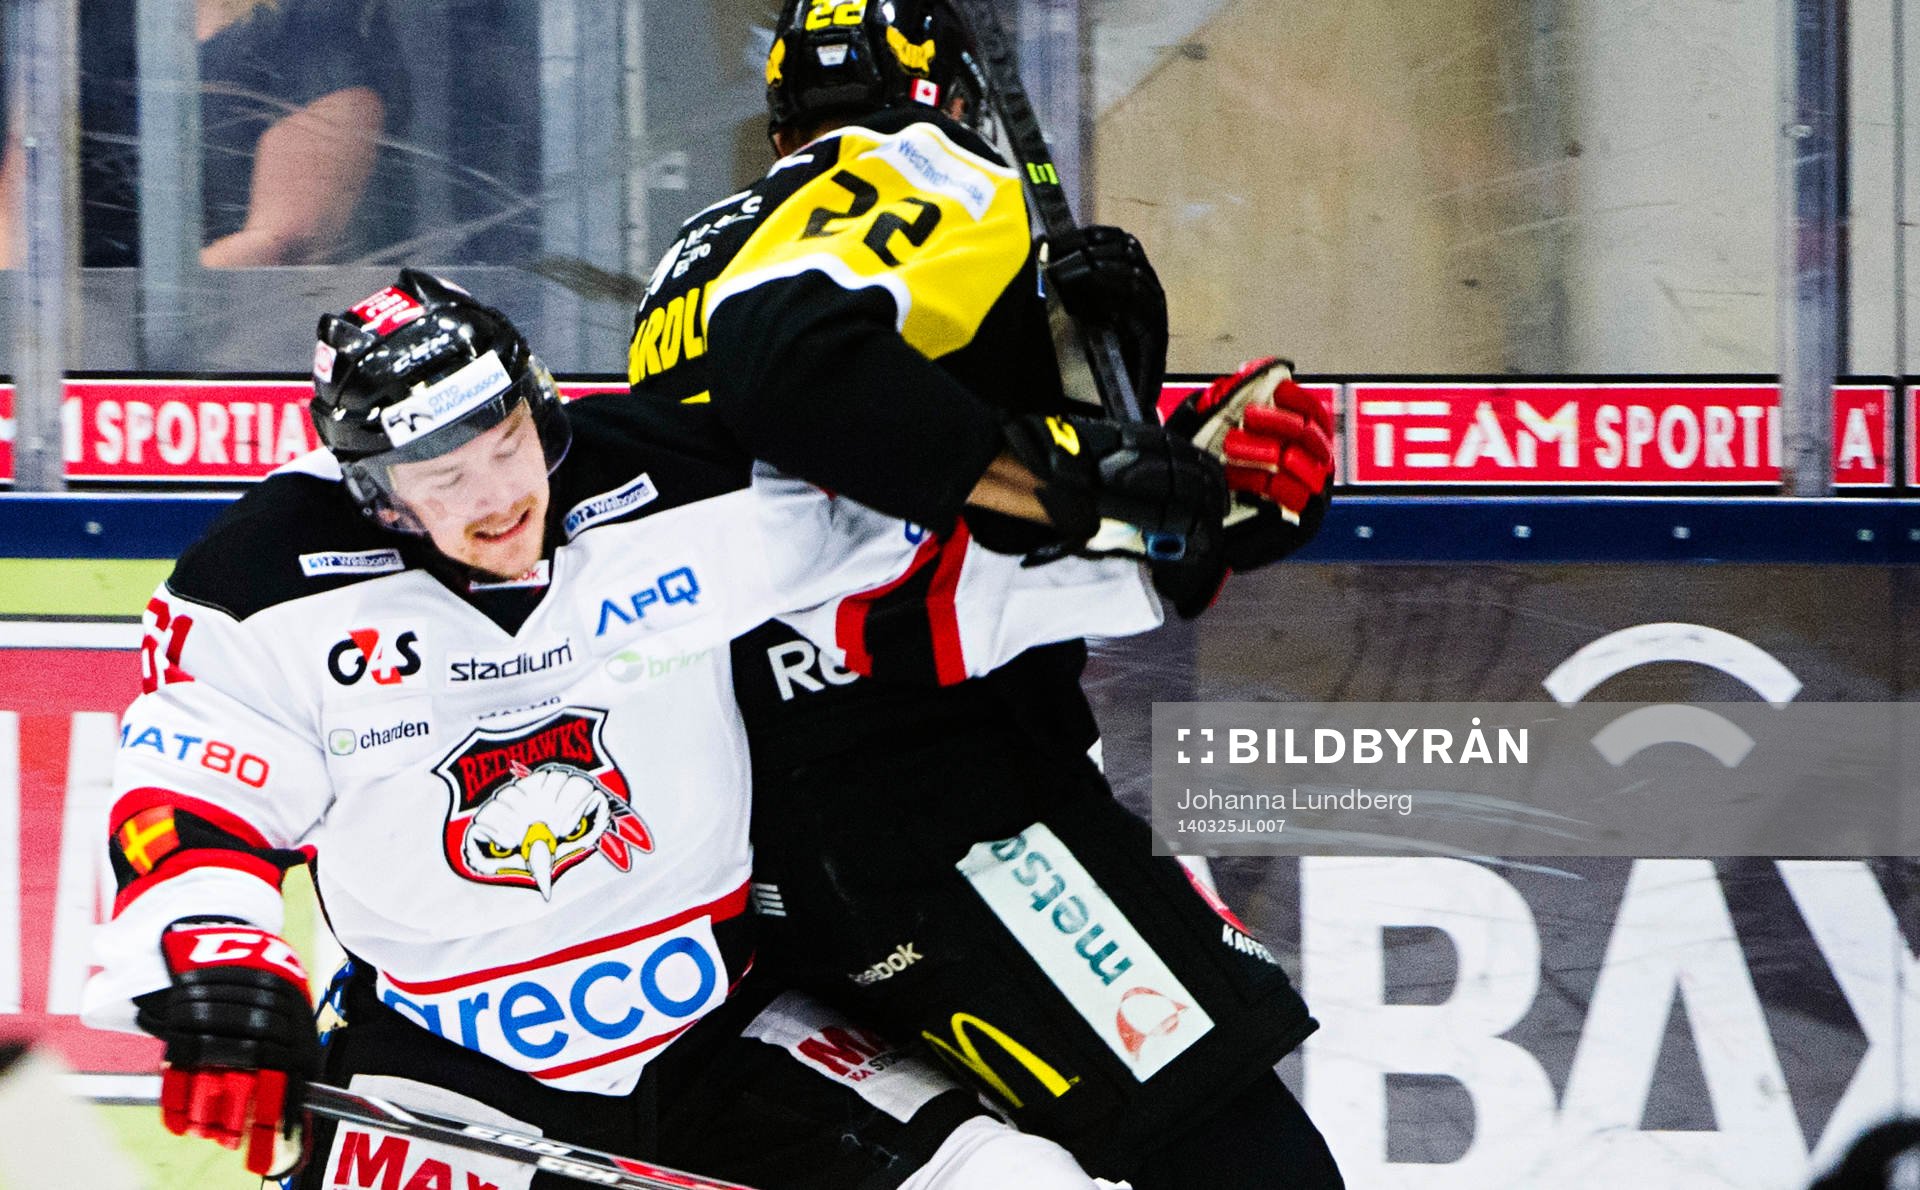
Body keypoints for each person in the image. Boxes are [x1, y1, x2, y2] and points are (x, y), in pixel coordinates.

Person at [78, 270, 1273, 1188]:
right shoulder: (260, 583)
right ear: (374, 486)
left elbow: (922, 578)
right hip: (446, 1069)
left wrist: (1177, 539)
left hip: (725, 1024)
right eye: (443, 478)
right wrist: (222, 967)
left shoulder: (675, 488)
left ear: (537, 404)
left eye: (504, 443)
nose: (498, 497)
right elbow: (190, 800)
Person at [626, 2, 1343, 1186]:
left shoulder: (689, 256)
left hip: (754, 810)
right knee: (1239, 1157)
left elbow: (895, 476)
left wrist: (1168, 470)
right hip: (948, 807)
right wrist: (1081, 482)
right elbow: (795, 363)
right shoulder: (920, 168)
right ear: (949, 91)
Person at [0, 0, 403, 268]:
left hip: (228, 360)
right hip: (75, 355)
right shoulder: (86, 25)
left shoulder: (318, 40)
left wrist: (126, 333)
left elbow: (281, 242)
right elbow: (18, 212)